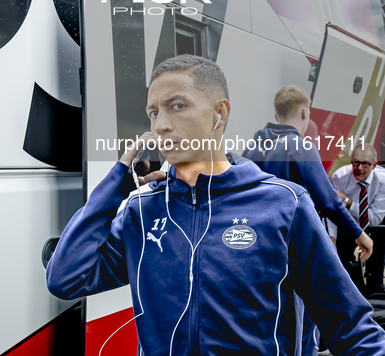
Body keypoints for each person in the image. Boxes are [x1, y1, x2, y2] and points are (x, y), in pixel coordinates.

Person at [46, 55, 385, 356]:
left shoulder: (285, 204)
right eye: (153, 112)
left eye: (177, 106)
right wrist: (116, 185)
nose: (160, 123)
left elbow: (349, 324)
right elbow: (65, 278)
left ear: (219, 113)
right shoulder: (141, 211)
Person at [242, 84, 373, 356]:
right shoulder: (301, 148)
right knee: (302, 330)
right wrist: (361, 235)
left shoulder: (251, 149)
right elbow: (328, 201)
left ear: (277, 116)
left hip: (254, 252)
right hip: (293, 253)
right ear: (305, 112)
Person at [328, 144, 385, 297]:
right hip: (346, 225)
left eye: (365, 164)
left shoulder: (383, 181)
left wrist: (348, 202)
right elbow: (332, 213)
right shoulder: (339, 177)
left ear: (374, 165)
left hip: (373, 227)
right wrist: (332, 239)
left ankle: (376, 291)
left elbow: (374, 218)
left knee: (378, 249)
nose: (359, 168)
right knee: (342, 265)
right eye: (355, 162)